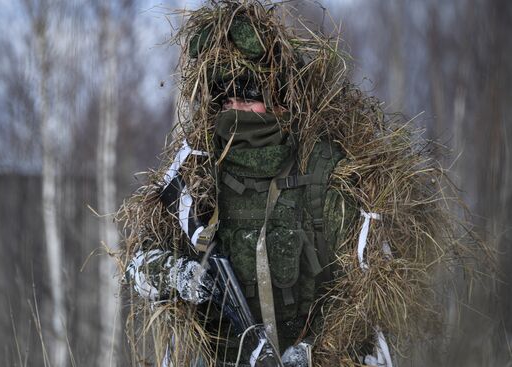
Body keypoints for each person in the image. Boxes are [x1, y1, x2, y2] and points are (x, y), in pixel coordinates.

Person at [120, 1, 476, 366]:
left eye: (247, 93)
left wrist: (313, 353)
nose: (235, 107)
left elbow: (363, 292)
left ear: (278, 99)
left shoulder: (322, 169)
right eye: (224, 96)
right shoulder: (197, 172)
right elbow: (137, 262)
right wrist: (180, 274)